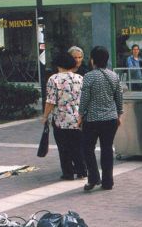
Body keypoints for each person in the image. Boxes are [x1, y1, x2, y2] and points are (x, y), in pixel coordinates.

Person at [78, 46, 123, 191]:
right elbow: (119, 98)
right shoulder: (114, 76)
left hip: (92, 119)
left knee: (87, 148)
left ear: (92, 60)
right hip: (110, 119)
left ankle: (93, 178)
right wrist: (119, 114)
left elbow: (84, 99)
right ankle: (108, 182)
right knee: (107, 149)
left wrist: (80, 115)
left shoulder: (89, 76)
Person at [41, 52, 86, 180]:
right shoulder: (79, 78)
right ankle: (82, 170)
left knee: (64, 148)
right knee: (78, 146)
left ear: (58, 65)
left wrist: (45, 116)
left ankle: (68, 172)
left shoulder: (53, 79)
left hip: (61, 119)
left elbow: (50, 101)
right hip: (77, 119)